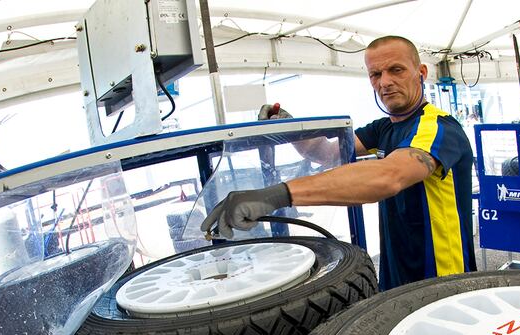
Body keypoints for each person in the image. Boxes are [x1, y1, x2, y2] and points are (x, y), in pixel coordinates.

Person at [201, 35, 476, 290]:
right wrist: (289, 127)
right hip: (398, 270)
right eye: (375, 74)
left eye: (396, 70)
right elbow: (328, 154)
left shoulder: (439, 127)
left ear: (422, 73)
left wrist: (275, 195)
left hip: (441, 278)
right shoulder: (384, 128)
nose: (385, 82)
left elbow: (389, 176)